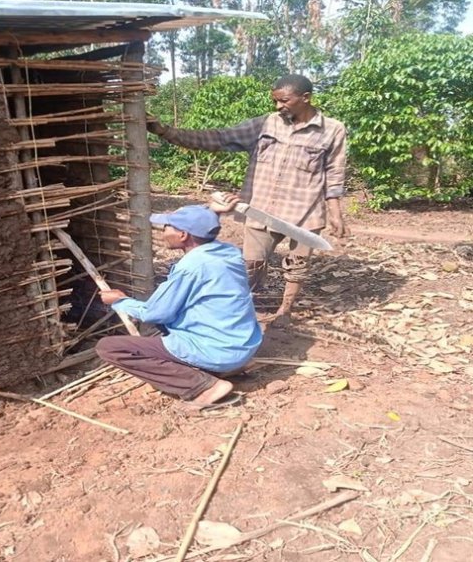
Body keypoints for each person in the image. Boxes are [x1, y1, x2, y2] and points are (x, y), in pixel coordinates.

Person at [147, 74, 349, 325]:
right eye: (275, 101)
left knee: (297, 266)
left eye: (284, 100)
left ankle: (285, 311)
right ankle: (238, 306)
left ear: (305, 98)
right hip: (261, 208)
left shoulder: (333, 130)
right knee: (251, 264)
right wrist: (166, 132)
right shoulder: (265, 124)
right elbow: (219, 138)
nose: (278, 106)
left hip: (305, 210)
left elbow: (334, 172)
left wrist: (336, 213)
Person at [96, 205, 262, 409]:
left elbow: (155, 313)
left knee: (109, 347)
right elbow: (203, 225)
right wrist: (213, 212)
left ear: (183, 235)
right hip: (242, 346)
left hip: (218, 350)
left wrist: (120, 302)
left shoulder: (192, 266)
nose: (163, 232)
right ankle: (221, 369)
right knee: (170, 325)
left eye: (167, 227)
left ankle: (203, 387)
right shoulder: (228, 252)